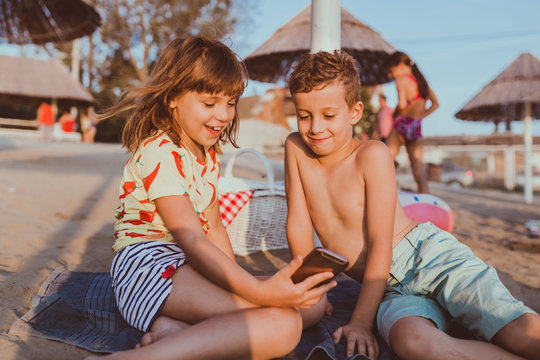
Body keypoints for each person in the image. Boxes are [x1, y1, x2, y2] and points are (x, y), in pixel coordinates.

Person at [86, 37, 336, 360]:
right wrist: (257, 292)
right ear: (173, 98)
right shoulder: (160, 151)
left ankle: (171, 330)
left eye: (230, 103)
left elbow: (215, 227)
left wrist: (238, 283)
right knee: (284, 324)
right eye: (210, 103)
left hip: (184, 270)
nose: (223, 115)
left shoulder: (208, 154)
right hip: (147, 271)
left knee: (312, 304)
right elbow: (192, 237)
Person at [285, 50, 540, 360]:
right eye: (304, 115)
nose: (314, 127)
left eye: (328, 115)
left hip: (429, 257)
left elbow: (381, 244)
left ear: (354, 112)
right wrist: (311, 287)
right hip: (384, 290)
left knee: (519, 332)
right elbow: (298, 221)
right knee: (413, 343)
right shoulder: (296, 147)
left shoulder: (372, 155)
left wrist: (362, 322)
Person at [385, 51, 438, 194]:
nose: (390, 75)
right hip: (415, 126)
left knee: (384, 163)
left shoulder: (401, 80)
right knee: (419, 173)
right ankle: (426, 204)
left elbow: (402, 104)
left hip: (401, 123)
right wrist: (419, 117)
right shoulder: (423, 83)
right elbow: (435, 104)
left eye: (391, 71)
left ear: (401, 66)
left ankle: (384, 195)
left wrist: (395, 112)